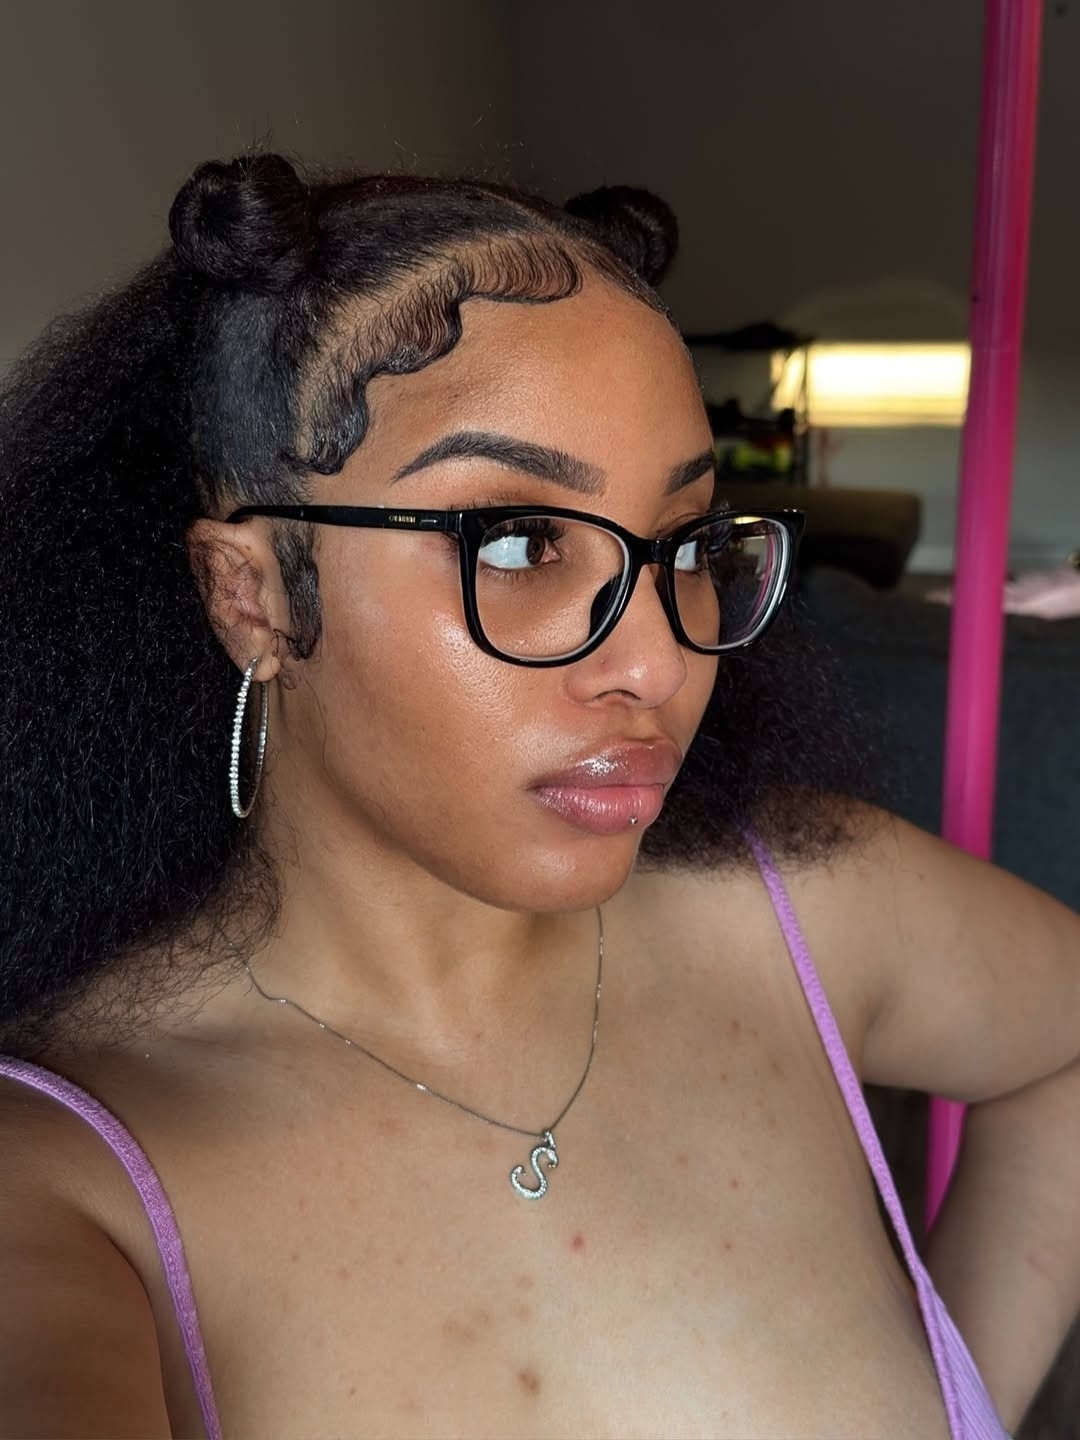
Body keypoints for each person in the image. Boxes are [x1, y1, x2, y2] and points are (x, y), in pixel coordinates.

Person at [0, 152, 1077, 1440]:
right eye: (516, 542)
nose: (658, 663)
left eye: (685, 545)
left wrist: (970, 1396)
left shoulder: (809, 907)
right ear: (255, 594)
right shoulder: (70, 1187)